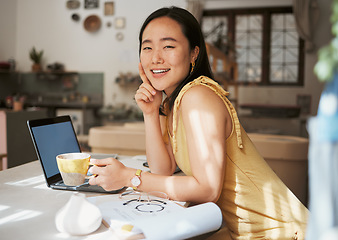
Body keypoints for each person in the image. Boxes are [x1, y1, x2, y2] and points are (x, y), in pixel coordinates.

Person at [89, 6, 308, 239]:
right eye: (147, 47)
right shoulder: (174, 102)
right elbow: (162, 169)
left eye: (168, 46)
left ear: (194, 53)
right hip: (244, 231)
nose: (155, 57)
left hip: (282, 232)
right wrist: (151, 113)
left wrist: (128, 177)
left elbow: (207, 189)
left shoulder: (198, 97)